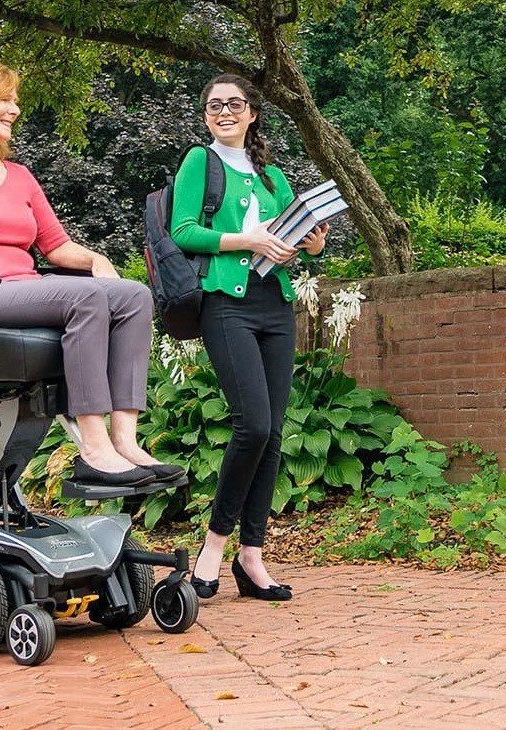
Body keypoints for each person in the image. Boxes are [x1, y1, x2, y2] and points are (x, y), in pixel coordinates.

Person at [0, 59, 183, 487]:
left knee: (133, 295)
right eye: (5, 100)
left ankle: (125, 441)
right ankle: (93, 448)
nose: (15, 110)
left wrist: (94, 260)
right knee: (85, 298)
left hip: (23, 292)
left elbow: (56, 247)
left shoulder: (19, 176)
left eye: (15, 101)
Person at [170, 74, 327, 602]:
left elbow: (291, 234)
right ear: (206, 114)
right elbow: (182, 230)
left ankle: (251, 556)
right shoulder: (200, 162)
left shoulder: (272, 175)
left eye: (234, 104)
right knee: (252, 424)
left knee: (274, 431)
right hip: (226, 304)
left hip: (275, 306)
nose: (224, 112)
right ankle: (214, 543)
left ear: (253, 113)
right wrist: (246, 239)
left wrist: (312, 242)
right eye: (214, 105)